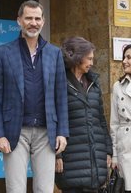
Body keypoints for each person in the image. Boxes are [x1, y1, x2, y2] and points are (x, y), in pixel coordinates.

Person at [0, 0, 69, 193]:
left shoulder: (54, 53)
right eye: (29, 18)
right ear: (19, 21)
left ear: (43, 21)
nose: (33, 23)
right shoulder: (2, 53)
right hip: (15, 132)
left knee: (44, 189)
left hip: (46, 132)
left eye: (37, 18)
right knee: (15, 189)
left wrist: (62, 132)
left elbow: (61, 96)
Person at [55, 37, 113, 193]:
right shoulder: (60, 82)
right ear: (77, 58)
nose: (92, 63)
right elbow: (54, 120)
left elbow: (101, 119)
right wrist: (57, 155)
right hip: (71, 159)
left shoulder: (94, 83)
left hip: (96, 158)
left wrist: (108, 150)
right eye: (89, 58)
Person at [110, 44, 131, 192]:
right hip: (125, 149)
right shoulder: (118, 86)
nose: (124, 61)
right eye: (124, 57)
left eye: (129, 57)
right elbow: (114, 124)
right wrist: (115, 156)